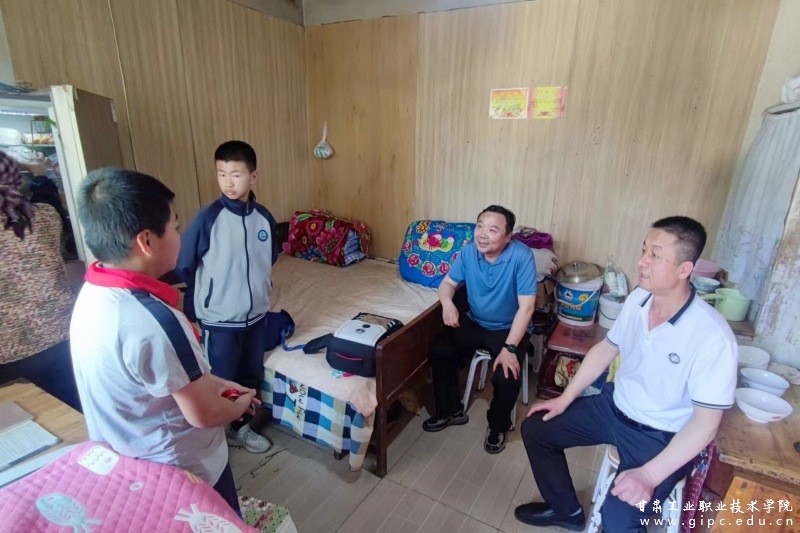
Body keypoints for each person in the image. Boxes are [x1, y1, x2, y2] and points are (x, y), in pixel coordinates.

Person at [515, 216, 737, 532]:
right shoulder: (638, 299)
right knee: (537, 428)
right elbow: (606, 348)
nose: (642, 261)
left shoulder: (712, 336)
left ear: (684, 269)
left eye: (655, 255)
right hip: (613, 407)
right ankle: (566, 512)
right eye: (644, 250)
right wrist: (565, 398)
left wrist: (648, 475)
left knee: (619, 518)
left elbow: (705, 424)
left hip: (660, 436)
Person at [70, 168, 258, 513]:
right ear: (147, 241)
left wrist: (218, 384)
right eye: (174, 226)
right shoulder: (155, 323)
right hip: (185, 473)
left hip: (129, 466)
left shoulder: (92, 293)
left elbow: (166, 380)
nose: (179, 235)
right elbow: (204, 413)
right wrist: (241, 404)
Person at [176, 140, 278, 454]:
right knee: (222, 379)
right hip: (220, 320)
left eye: (236, 174)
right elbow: (184, 265)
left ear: (253, 177)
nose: (228, 182)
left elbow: (269, 258)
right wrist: (205, 298)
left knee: (249, 376)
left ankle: (239, 429)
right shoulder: (209, 218)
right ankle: (215, 438)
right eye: (221, 174)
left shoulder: (264, 218)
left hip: (257, 316)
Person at [423, 205, 536, 454]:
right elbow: (447, 284)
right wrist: (447, 304)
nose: (483, 234)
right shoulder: (468, 251)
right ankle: (450, 411)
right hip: (475, 321)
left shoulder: (522, 256)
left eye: (492, 230)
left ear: (508, 237)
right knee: (440, 350)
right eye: (480, 226)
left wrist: (510, 348)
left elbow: (527, 308)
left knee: (506, 376)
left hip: (509, 328)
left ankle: (497, 426)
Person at [0, 151, 80, 411]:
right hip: (61, 335)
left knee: (24, 420)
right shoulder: (44, 217)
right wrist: (40, 174)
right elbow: (50, 201)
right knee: (74, 412)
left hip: (7, 352)